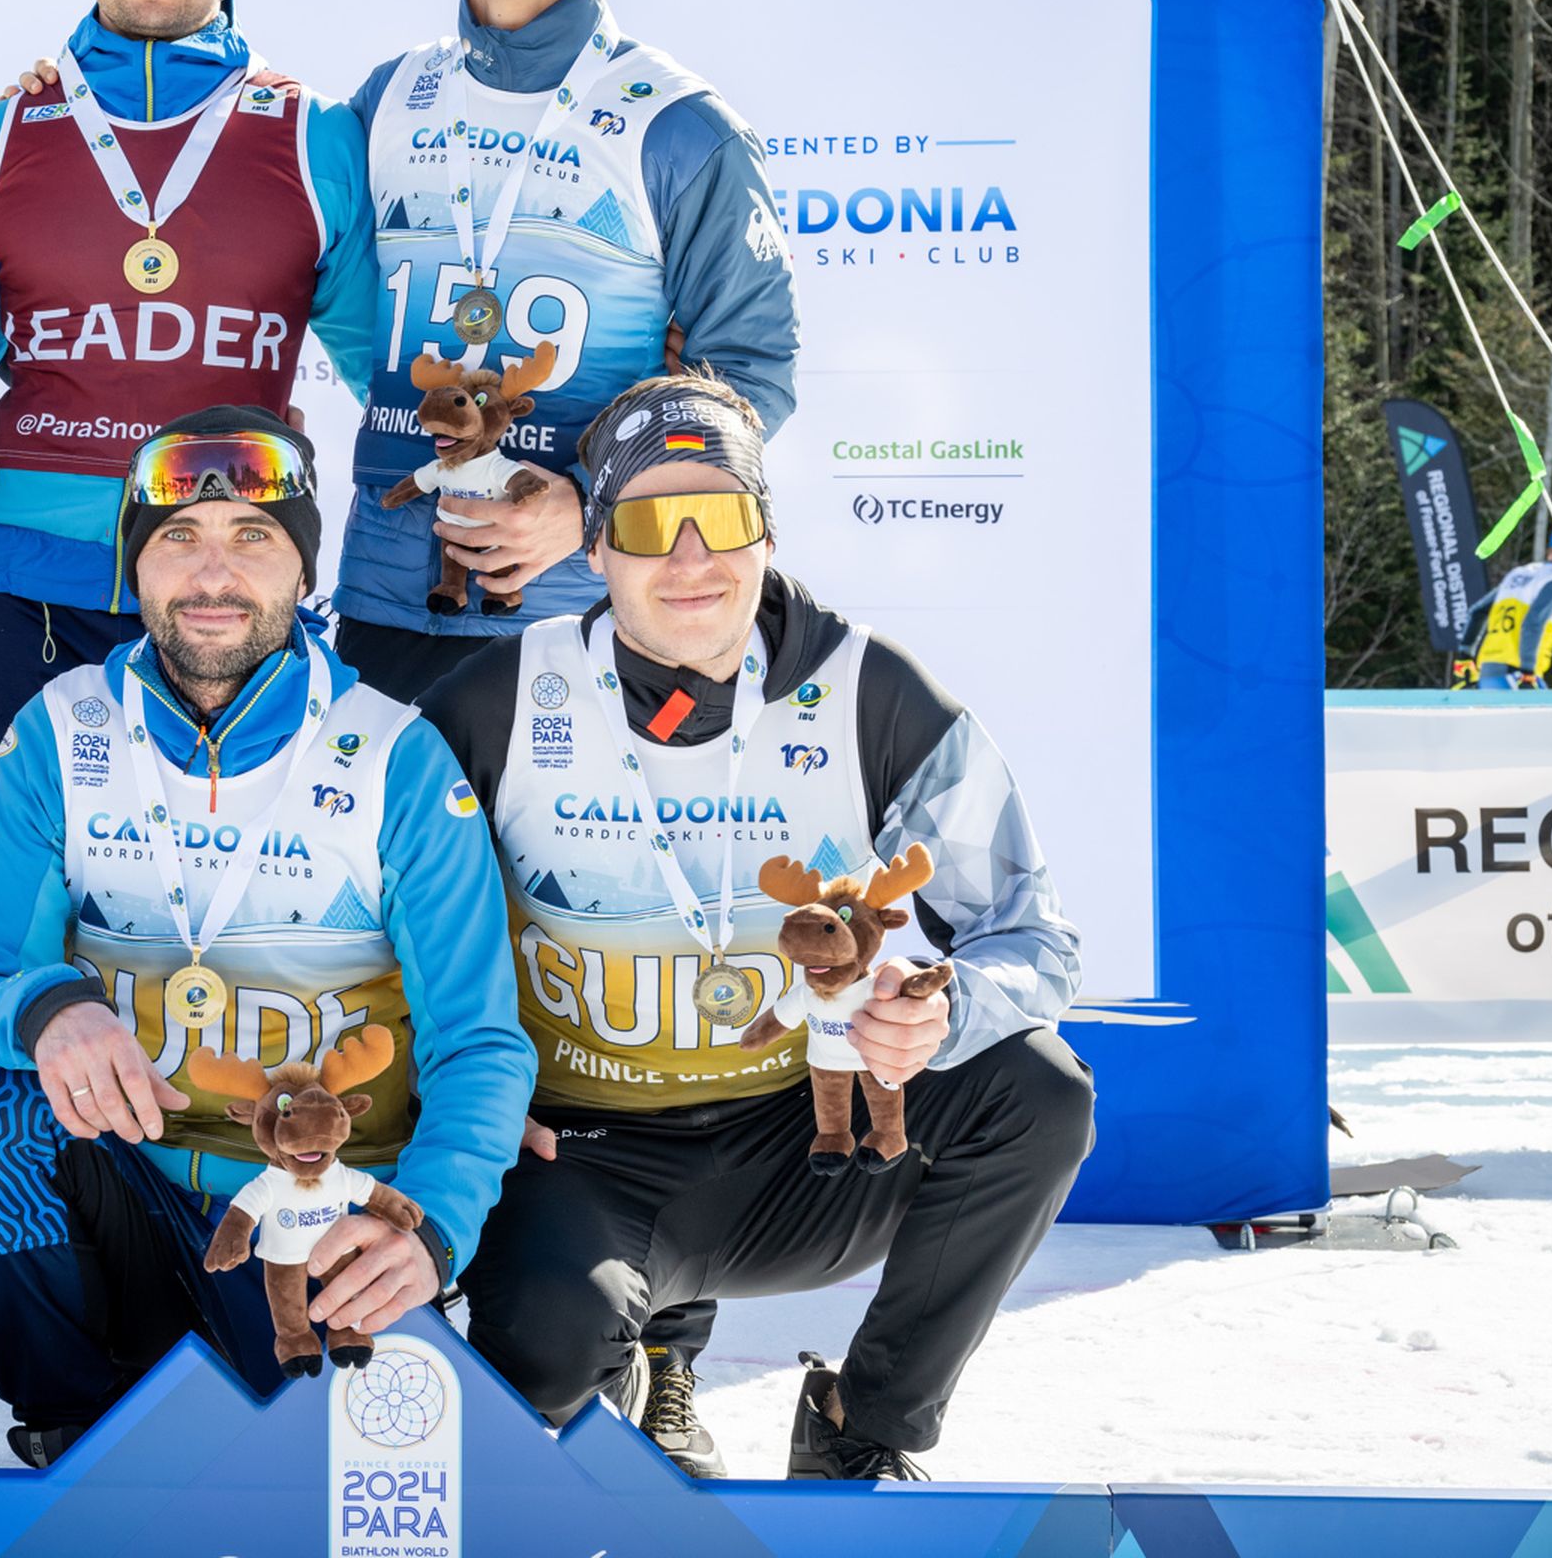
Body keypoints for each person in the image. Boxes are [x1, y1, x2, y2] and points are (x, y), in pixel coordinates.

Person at [418, 371, 1093, 1481]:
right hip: (584, 1154)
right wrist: (459, 1103)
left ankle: (864, 1430)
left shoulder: (870, 691)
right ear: (595, 549)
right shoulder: (495, 702)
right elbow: (389, 929)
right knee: (535, 1365)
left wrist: (947, 1012)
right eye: (645, 524)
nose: (691, 559)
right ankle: (613, 1366)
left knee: (1038, 1091)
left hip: (807, 1143)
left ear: (766, 531)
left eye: (723, 518)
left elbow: (1033, 934)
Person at [0, 408, 533, 1467]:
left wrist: (427, 1227)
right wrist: (46, 1008)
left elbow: (478, 1043)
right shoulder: (60, 732)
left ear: (301, 571)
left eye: (253, 537)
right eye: (177, 541)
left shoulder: (394, 756)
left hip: (319, 1217)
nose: (212, 573)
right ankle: (72, 1431)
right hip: (132, 1193)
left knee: (348, 1487)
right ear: (135, 573)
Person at [334, 0, 801, 704]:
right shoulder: (386, 101)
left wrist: (589, 505)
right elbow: (351, 320)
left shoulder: (678, 123)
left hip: (585, 612)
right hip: (386, 602)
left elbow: (753, 373)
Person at [0, 0, 379, 770]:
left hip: (234, 579)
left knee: (231, 883)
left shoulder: (312, 136)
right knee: (31, 883)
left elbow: (383, 365)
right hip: (33, 583)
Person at [1455, 515, 1552, 689]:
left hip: (1488, 672)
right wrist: (1528, 672)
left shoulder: (1519, 574)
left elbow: (1478, 612)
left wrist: (1465, 656)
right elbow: (1533, 621)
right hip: (1518, 675)